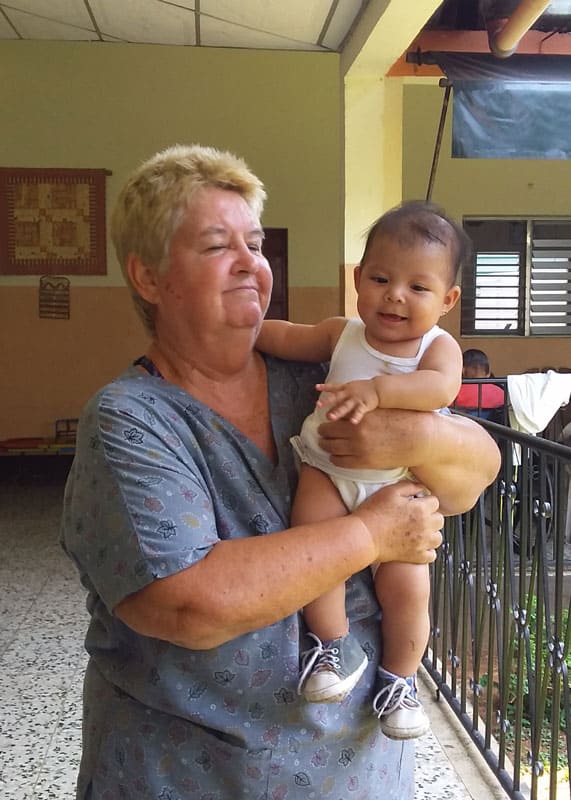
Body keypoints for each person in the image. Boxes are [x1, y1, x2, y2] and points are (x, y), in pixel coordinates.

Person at [60, 144, 501, 799]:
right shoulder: (130, 420)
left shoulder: (317, 379)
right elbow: (188, 604)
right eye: (216, 247)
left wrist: (414, 432)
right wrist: (374, 535)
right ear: (148, 278)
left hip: (356, 771)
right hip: (192, 776)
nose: (249, 264)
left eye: (255, 242)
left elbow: (472, 476)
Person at [256, 201, 466, 740]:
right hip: (327, 467)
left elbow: (441, 389)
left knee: (407, 590)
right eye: (380, 278)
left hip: (397, 487)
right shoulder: (342, 333)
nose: (395, 294)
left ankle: (399, 682)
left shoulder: (436, 347)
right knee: (315, 546)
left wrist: (379, 391)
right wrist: (247, 329)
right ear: (357, 279)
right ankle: (328, 650)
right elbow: (287, 337)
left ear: (447, 301)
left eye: (418, 288)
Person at [454, 348, 505, 419]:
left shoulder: (455, 393)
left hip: (462, 428)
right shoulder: (502, 393)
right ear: (488, 373)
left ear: (462, 370)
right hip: (493, 429)